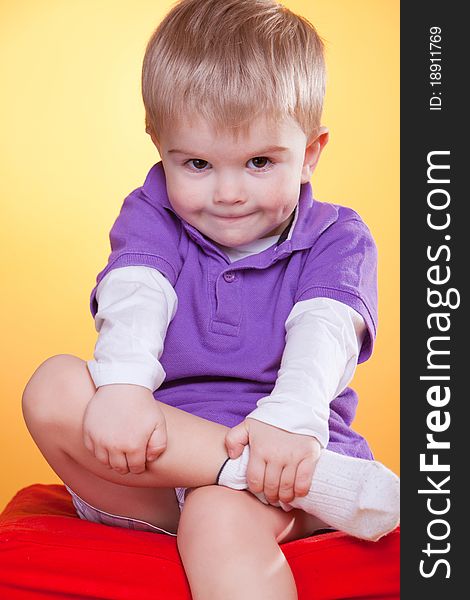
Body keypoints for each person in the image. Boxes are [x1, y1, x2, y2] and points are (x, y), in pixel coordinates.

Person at [22, 0, 399, 598]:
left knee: (219, 517)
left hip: (283, 461)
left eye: (258, 162)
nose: (227, 192)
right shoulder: (152, 212)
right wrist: (122, 385)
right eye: (196, 163)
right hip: (156, 460)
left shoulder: (336, 237)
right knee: (53, 386)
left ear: (310, 152)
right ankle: (318, 483)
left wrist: (289, 421)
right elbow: (136, 292)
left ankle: (282, 480)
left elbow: (323, 331)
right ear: (159, 145)